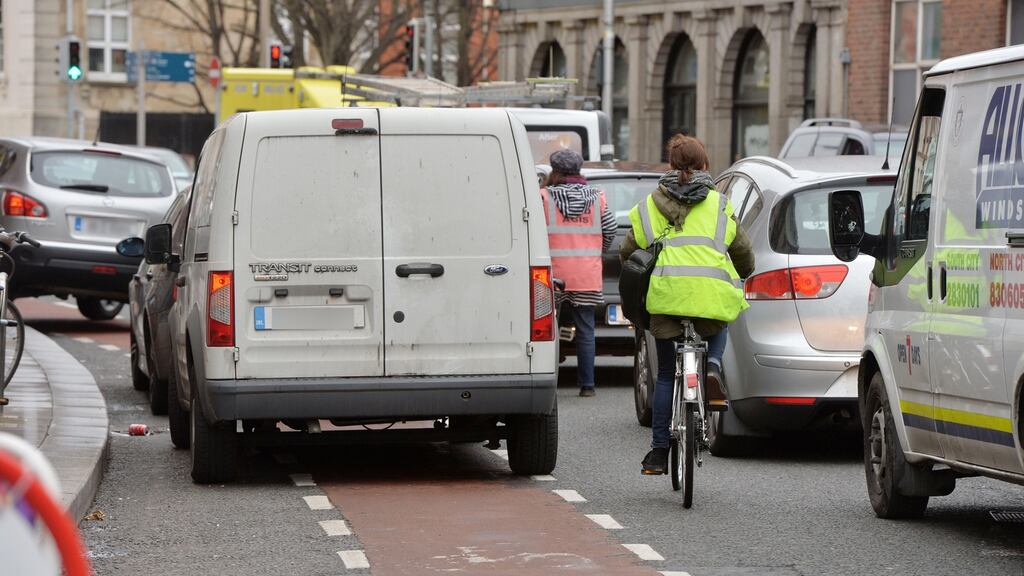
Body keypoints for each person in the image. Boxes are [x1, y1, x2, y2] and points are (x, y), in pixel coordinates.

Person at [619, 135, 755, 474]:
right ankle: (710, 368)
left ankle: (658, 453)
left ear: (670, 166)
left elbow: (627, 253)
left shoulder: (649, 205)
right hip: (709, 297)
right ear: (705, 165)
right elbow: (741, 252)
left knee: (666, 375)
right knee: (719, 324)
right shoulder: (719, 203)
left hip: (666, 298)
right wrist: (745, 271)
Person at [541, 149, 617, 397]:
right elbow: (610, 230)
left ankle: (548, 382)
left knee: (548, 330)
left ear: (555, 171)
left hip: (553, 276)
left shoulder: (543, 197)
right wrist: (596, 252)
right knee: (586, 330)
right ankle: (587, 386)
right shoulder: (597, 197)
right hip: (586, 273)